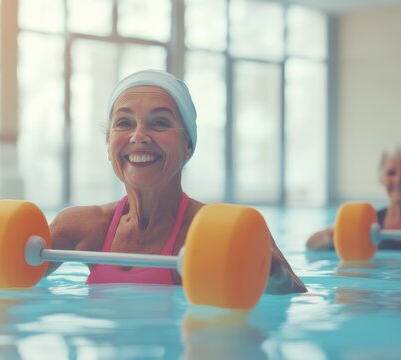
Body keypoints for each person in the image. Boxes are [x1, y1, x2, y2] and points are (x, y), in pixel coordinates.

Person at [46, 69, 306, 293]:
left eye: (159, 123)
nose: (139, 136)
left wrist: (268, 272)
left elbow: (296, 296)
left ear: (188, 146)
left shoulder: (221, 230)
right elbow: (12, 272)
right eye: (124, 123)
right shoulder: (83, 226)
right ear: (108, 144)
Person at [306, 141, 401, 251]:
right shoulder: (365, 222)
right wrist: (332, 236)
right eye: (391, 173)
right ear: (382, 179)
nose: (399, 179)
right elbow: (311, 245)